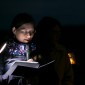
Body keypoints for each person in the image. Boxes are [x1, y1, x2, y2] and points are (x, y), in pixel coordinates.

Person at [0, 13, 40, 85]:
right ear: (14, 30)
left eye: (32, 32)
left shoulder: (37, 49)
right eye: (24, 31)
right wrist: (20, 80)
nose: (29, 35)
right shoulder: (4, 49)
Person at [35, 16, 74, 85]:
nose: (57, 35)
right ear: (45, 33)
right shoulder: (33, 52)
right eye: (54, 32)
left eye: (58, 32)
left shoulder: (61, 51)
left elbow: (68, 76)